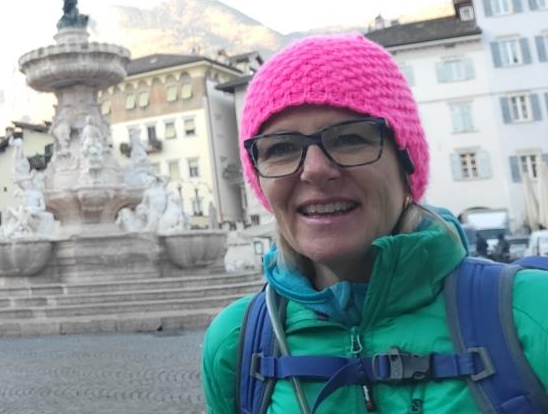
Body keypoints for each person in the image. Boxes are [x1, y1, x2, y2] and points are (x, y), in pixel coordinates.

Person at [201, 34, 548, 413]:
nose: (315, 169)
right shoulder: (235, 344)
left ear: (405, 162)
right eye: (281, 148)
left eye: (349, 138)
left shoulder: (531, 311)